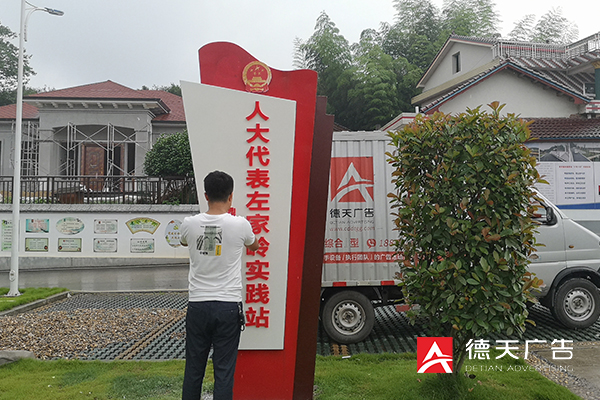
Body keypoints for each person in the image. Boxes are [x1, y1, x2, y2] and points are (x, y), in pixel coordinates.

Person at [180, 171, 259, 400]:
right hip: (228, 306)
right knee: (224, 371)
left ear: (206, 195)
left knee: (194, 368)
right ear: (231, 196)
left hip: (198, 304)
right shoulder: (241, 225)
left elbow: (183, 241)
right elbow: (254, 245)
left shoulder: (189, 224)